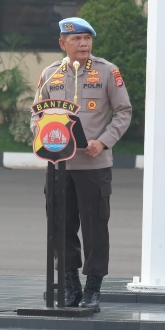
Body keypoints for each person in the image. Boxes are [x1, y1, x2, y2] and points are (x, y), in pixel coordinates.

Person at [31, 17, 132, 312]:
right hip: (59, 166)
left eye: (88, 38)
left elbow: (123, 111)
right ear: (63, 43)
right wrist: (43, 138)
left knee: (95, 227)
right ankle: (70, 285)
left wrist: (104, 141)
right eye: (76, 39)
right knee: (60, 226)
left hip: (94, 165)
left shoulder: (107, 72)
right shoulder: (51, 75)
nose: (84, 43)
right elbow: (36, 114)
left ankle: (93, 289)